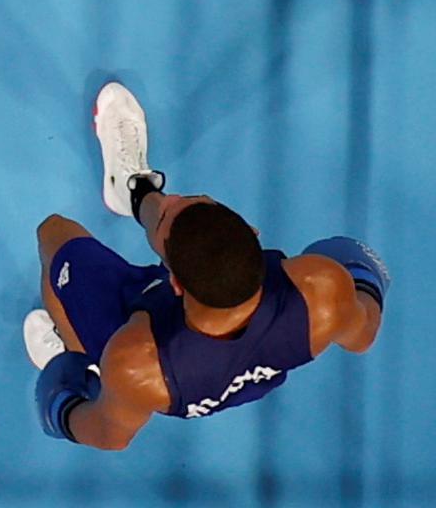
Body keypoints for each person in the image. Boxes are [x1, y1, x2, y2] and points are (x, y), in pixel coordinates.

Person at [23, 82, 389, 449]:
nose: (177, 198)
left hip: (147, 348)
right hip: (237, 358)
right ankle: (133, 190)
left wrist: (62, 403)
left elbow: (109, 434)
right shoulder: (320, 292)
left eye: (167, 212)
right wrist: (361, 274)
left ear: (174, 283)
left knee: (55, 235)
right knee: (182, 232)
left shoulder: (135, 362)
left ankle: (75, 349)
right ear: (251, 232)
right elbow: (362, 336)